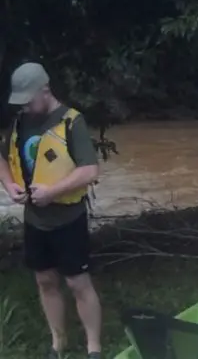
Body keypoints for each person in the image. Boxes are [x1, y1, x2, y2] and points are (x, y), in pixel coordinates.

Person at [0, 63, 103, 359]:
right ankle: (58, 345)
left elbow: (89, 170)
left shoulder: (72, 122)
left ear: (45, 90)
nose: (25, 106)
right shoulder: (21, 123)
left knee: (77, 283)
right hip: (35, 220)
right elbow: (3, 158)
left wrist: (52, 192)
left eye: (29, 99)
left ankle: (93, 347)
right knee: (45, 281)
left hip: (68, 219)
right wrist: (9, 186)